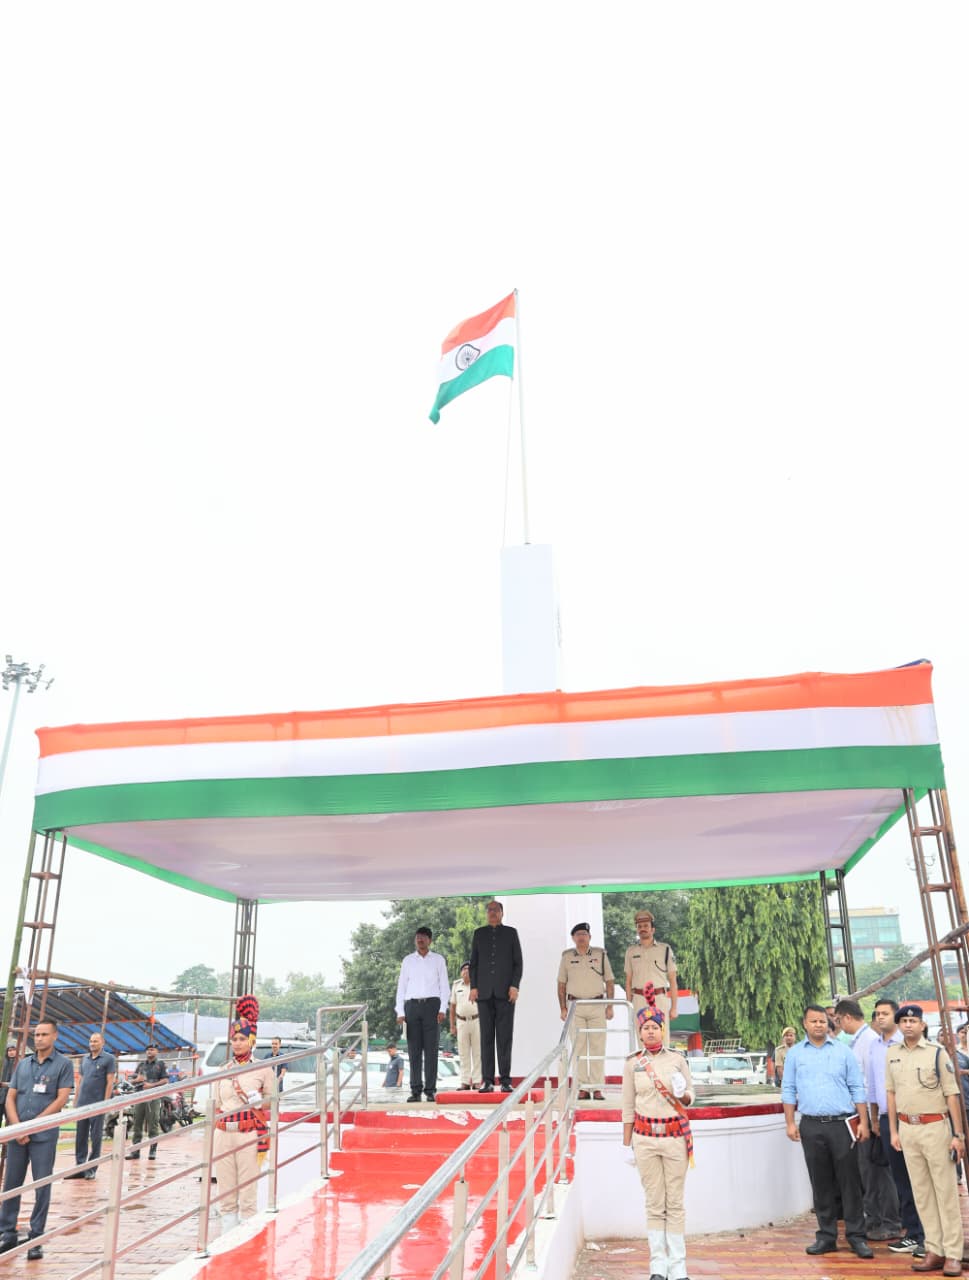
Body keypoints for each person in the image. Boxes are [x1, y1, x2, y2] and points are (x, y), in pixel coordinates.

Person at [780, 1003, 873, 1259]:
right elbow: (788, 1089)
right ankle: (827, 1236)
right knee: (820, 1182)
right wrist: (790, 1122)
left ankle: (856, 1236)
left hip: (842, 1124)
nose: (818, 1025)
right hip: (810, 1125)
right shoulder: (795, 1054)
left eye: (822, 1021)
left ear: (828, 1023)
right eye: (813, 1021)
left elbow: (857, 1088)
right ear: (804, 1024)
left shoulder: (844, 1052)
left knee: (849, 1181)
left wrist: (863, 1122)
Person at [886, 1003, 965, 1276]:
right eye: (904, 1021)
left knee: (945, 1193)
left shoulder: (936, 1053)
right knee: (922, 1194)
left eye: (913, 1020)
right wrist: (894, 1131)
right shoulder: (892, 1054)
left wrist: (958, 1135)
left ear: (922, 1025)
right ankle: (935, 1250)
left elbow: (951, 1094)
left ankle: (953, 1253)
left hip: (936, 1127)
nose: (908, 1024)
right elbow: (891, 1093)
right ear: (899, 1026)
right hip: (908, 1128)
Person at [622, 1006, 695, 1280]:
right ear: (639, 1032)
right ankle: (658, 1267)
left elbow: (691, 1095)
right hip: (645, 1140)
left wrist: (683, 1093)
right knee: (654, 1203)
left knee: (674, 1203)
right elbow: (627, 1106)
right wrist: (626, 1144)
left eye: (655, 1026)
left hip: (675, 1137)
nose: (651, 1031)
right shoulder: (632, 1063)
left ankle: (678, 1268)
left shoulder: (677, 1059)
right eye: (646, 1027)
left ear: (662, 1030)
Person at [0, 1019, 74, 1260]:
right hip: (18, 1135)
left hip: (43, 1135)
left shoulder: (63, 1065)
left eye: (44, 1034)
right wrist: (17, 1127)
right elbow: (11, 1096)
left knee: (42, 1185)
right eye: (36, 1034)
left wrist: (33, 1127)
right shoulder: (23, 1065)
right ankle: (7, 1233)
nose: (39, 1038)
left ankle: (36, 1237)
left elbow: (61, 1099)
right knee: (12, 1183)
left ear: (54, 1036)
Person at [834, 998, 902, 1243]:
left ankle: (890, 1222)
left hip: (877, 1116)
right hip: (867, 1115)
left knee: (880, 1172)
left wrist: (871, 1119)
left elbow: (874, 1085)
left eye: (838, 1020)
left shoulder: (870, 1042)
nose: (839, 1025)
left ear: (846, 1018)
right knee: (869, 1172)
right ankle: (874, 1220)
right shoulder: (865, 1042)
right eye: (878, 1013)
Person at [866, 997, 925, 1258]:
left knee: (920, 1179)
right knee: (900, 1178)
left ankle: (927, 1235)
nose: (881, 1018)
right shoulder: (874, 1047)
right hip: (887, 1120)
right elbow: (873, 1086)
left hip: (912, 1118)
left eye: (886, 1014)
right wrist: (875, 1118)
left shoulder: (906, 1047)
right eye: (877, 1014)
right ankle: (912, 1233)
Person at [212, 996, 275, 1231]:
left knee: (248, 1190)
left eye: (241, 1039)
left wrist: (262, 1102)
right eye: (234, 1039)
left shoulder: (263, 1069)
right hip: (223, 1133)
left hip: (248, 1133)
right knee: (226, 1189)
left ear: (251, 1040)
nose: (237, 1043)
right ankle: (227, 1236)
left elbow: (272, 1102)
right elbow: (217, 1104)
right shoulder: (222, 1071)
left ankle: (247, 1237)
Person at [557, 921, 615, 1101]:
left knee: (598, 1047)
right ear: (573, 938)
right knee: (578, 1048)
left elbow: (610, 981)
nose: (581, 937)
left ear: (589, 937)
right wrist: (563, 1008)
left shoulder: (600, 954)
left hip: (597, 1005)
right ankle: (582, 1087)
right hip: (576, 1006)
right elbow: (561, 984)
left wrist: (610, 1005)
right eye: (578, 934)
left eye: (584, 934)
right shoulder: (567, 957)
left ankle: (597, 1088)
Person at [470, 900, 523, 1093]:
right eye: (489, 910)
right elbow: (473, 963)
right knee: (485, 1039)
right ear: (486, 913)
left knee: (504, 1038)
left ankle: (506, 1080)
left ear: (502, 913)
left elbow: (518, 963)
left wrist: (514, 985)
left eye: (496, 910)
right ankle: (487, 1080)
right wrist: (473, 987)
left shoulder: (510, 933)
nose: (492, 913)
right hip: (483, 993)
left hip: (505, 994)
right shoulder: (479, 933)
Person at [395, 926, 450, 1103]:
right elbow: (401, 986)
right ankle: (415, 1090)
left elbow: (445, 986)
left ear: (430, 940)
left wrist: (443, 1008)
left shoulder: (438, 960)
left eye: (423, 937)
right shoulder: (408, 961)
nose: (420, 940)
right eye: (417, 937)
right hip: (412, 1007)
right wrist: (400, 1011)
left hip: (432, 1006)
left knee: (432, 1051)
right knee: (414, 1051)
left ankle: (430, 1090)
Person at [66, 1032, 117, 1180]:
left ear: (102, 1043)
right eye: (90, 1041)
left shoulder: (109, 1059)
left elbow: (109, 1082)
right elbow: (80, 1080)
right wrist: (76, 1099)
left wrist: (105, 1103)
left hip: (98, 1104)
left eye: (95, 1041)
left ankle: (92, 1168)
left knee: (96, 1137)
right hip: (83, 1103)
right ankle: (80, 1166)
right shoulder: (85, 1059)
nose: (92, 1044)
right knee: (80, 1136)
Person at [623, 910, 678, 1046]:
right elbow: (628, 981)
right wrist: (629, 1005)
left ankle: (662, 1068)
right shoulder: (631, 951)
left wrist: (674, 1007)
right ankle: (646, 1067)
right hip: (639, 999)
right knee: (642, 1038)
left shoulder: (665, 949)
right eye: (639, 926)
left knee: (661, 1037)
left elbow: (672, 981)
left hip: (659, 998)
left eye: (646, 926)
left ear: (652, 929)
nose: (642, 929)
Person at [125, 1044, 168, 1160]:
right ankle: (135, 1152)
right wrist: (136, 1080)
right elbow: (131, 1080)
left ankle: (152, 1151)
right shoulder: (141, 1065)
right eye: (148, 1050)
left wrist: (151, 1085)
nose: (149, 1052)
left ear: (157, 1052)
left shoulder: (160, 1065)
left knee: (153, 1124)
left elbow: (165, 1080)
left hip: (153, 1097)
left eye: (152, 1050)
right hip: (140, 1097)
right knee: (137, 1123)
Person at [449, 961, 481, 1090]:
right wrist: (452, 1025)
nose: (466, 971)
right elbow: (452, 1007)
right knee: (463, 1053)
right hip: (461, 1022)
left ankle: (477, 1081)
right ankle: (465, 1082)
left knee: (477, 1052)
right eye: (464, 969)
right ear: (460, 972)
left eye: (469, 969)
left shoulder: (478, 985)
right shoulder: (456, 985)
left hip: (476, 1021)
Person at [0, 1044, 18, 1126]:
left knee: (10, 1121)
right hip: (1, 1097)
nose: (11, 1052)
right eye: (9, 1050)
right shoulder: (3, 1063)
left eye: (13, 1050)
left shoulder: (20, 1063)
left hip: (12, 1097)